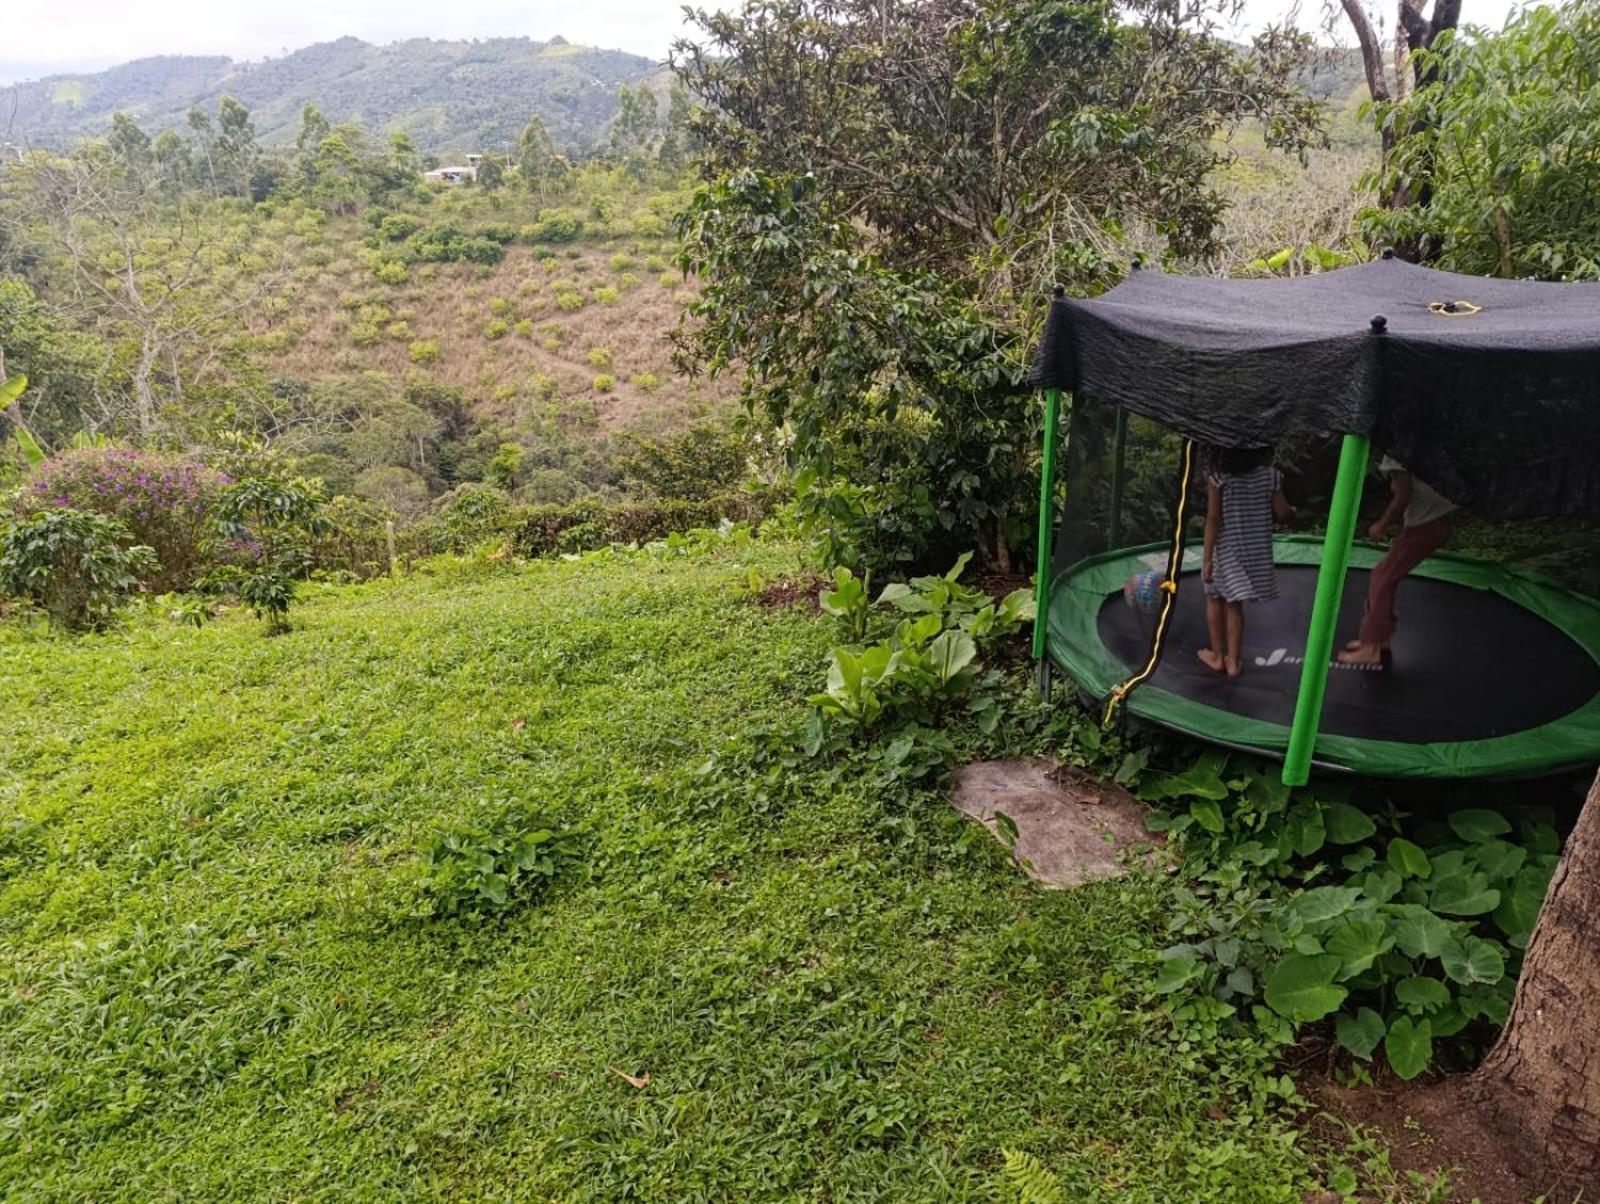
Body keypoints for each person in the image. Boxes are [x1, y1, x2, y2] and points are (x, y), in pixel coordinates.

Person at [1337, 457, 1456, 667]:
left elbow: (1402, 497)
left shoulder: (1398, 454)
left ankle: (1370, 647)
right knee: (1383, 575)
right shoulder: (1410, 448)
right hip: (1434, 523)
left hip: (1426, 526)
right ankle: (1379, 640)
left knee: (1383, 578)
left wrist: (1380, 525)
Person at [1199, 446, 1296, 677]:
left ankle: (1217, 656)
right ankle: (1233, 661)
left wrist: (1207, 559)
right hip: (1254, 553)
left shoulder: (1218, 478)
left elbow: (1213, 519)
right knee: (1235, 605)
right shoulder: (1269, 475)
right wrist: (1293, 512)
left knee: (1214, 597)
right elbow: (1282, 513)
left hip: (1226, 550)